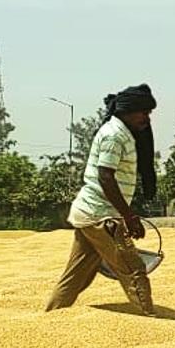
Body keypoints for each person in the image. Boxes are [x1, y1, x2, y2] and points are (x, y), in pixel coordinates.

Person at [45, 84, 158, 316]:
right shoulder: (114, 135)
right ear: (128, 110)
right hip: (100, 216)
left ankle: (51, 316)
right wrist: (129, 217)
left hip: (89, 214)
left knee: (76, 276)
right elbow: (105, 177)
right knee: (133, 269)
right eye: (143, 113)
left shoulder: (123, 134)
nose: (147, 119)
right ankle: (151, 321)